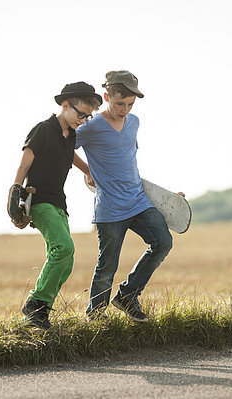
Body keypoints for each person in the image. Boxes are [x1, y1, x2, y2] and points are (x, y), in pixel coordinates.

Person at [73, 70, 174, 322]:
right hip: (109, 208)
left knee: (163, 242)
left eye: (130, 104)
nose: (125, 109)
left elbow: (128, 161)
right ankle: (95, 318)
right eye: (120, 103)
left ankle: (127, 295)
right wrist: (87, 170)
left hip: (139, 201)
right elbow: (64, 148)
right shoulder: (91, 127)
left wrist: (165, 198)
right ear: (106, 97)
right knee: (107, 267)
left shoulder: (134, 122)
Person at [9, 81, 102, 330]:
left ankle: (40, 312)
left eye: (87, 116)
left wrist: (88, 171)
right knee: (63, 248)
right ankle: (35, 306)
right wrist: (16, 191)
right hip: (38, 199)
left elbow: (70, 155)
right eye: (79, 113)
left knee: (66, 259)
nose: (82, 120)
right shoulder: (43, 129)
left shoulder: (70, 135)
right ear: (65, 105)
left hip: (59, 202)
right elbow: (25, 161)